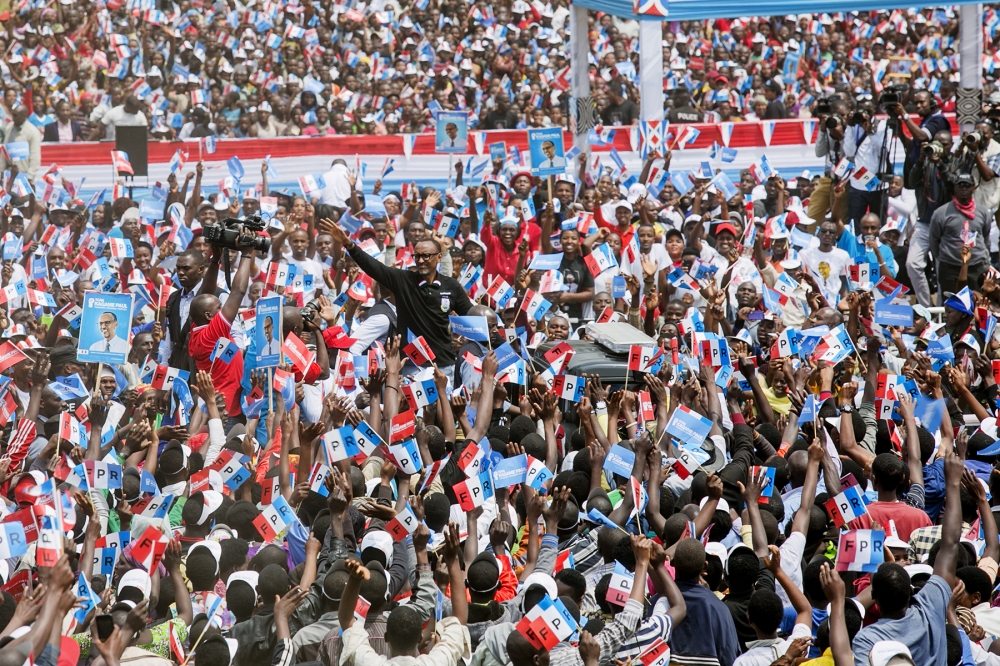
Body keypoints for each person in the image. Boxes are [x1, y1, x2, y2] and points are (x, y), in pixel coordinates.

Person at [321, 217, 473, 380]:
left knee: (445, 405)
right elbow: (374, 267)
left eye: (426, 256)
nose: (421, 261)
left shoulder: (451, 286)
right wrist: (348, 243)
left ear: (438, 257)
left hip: (444, 366)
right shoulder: (404, 280)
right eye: (417, 256)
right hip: (411, 368)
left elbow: (472, 318)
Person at [928, 172, 991, 296]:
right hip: (951, 268)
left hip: (977, 267)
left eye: (967, 186)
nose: (964, 189)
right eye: (960, 185)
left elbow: (986, 237)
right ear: (954, 188)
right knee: (952, 306)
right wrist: (946, 258)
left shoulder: (983, 212)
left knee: (979, 304)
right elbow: (934, 241)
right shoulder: (941, 213)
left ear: (974, 188)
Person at [0, 105, 41, 181]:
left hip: (24, 175)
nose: (13, 117)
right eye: (12, 114)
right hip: (8, 175)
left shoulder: (32, 132)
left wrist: (30, 177)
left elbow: (35, 157)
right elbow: (4, 152)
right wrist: (1, 172)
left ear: (24, 116)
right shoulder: (9, 127)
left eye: (15, 115)